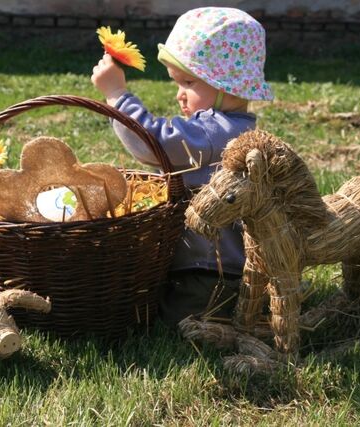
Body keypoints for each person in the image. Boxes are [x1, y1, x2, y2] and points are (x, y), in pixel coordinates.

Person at [91, 7, 274, 327]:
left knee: (164, 322)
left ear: (226, 85)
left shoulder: (216, 133)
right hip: (210, 267)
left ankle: (228, 315)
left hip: (212, 273)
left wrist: (117, 95)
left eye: (188, 82)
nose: (179, 95)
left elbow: (154, 143)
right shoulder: (229, 127)